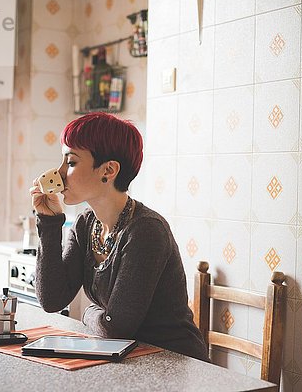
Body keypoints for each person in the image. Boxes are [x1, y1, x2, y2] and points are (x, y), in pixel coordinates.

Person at [30, 112, 210, 362]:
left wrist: (86, 313)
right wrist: (49, 223)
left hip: (173, 363)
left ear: (109, 170)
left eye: (70, 163)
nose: (58, 173)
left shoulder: (146, 230)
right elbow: (52, 300)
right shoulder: (86, 223)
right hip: (127, 359)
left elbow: (116, 328)